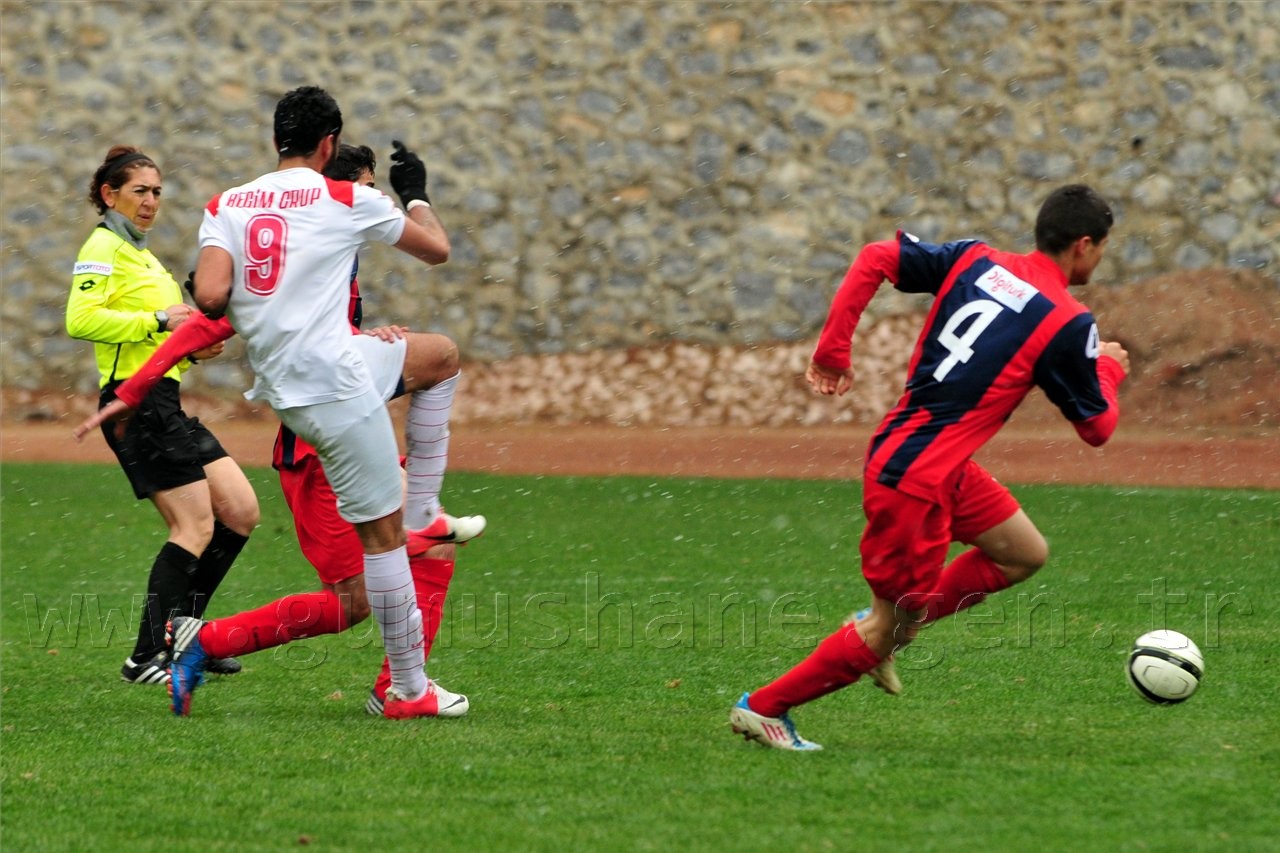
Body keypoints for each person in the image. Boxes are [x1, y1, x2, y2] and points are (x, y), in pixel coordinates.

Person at [730, 184, 1130, 750]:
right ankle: (765, 707)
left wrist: (832, 350)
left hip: (923, 459)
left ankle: (889, 629)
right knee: (884, 627)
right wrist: (1108, 369)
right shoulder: (1068, 321)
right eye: (1105, 247)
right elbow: (1098, 429)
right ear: (1085, 246)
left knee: (1023, 553)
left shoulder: (976, 259)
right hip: (915, 483)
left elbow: (875, 257)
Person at [74, 142, 468, 717]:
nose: (374, 197)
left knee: (265, 528)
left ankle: (204, 640)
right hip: (316, 445)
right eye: (366, 186)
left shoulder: (316, 249)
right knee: (376, 575)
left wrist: (377, 342)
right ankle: (399, 687)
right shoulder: (324, 227)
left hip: (323, 422)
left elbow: (225, 315)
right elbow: (208, 315)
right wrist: (136, 381)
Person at [177, 85, 482, 720]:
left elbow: (213, 297)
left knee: (440, 357)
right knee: (362, 584)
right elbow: (437, 249)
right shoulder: (343, 203)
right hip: (324, 417)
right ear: (329, 146)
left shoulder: (233, 206)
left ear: (275, 141)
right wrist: (415, 195)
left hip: (306, 396)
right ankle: (400, 689)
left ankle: (422, 530)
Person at [66, 145, 259, 686]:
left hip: (165, 402)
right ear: (109, 195)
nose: (151, 202)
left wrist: (192, 345)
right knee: (194, 524)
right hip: (136, 405)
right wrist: (157, 318)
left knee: (240, 512)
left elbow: (168, 330)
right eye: (139, 192)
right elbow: (80, 318)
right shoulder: (102, 246)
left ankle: (185, 634)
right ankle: (145, 656)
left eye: (156, 192)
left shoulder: (143, 254)